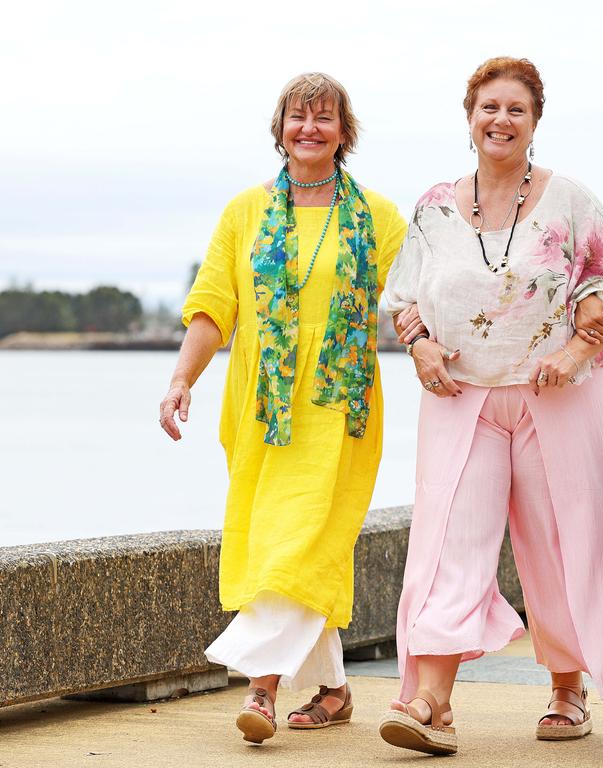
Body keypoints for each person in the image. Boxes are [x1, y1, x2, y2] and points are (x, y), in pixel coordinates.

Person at [377, 56, 603, 756]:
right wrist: (420, 346)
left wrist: (577, 352)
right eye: (489, 107)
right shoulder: (435, 205)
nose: (500, 120)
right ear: (470, 118)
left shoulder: (570, 200)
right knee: (447, 545)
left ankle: (566, 686)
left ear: (534, 122)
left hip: (554, 399)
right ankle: (430, 700)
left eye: (515, 110)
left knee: (558, 543)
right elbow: (404, 297)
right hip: (461, 398)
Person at [157, 72, 406, 745]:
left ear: (344, 133)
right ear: (281, 129)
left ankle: (260, 691)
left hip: (338, 411)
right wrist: (183, 380)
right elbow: (213, 307)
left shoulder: (379, 218)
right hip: (262, 413)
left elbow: (416, 301)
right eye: (299, 117)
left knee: (296, 544)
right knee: (285, 545)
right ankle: (333, 689)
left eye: (325, 119)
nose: (310, 130)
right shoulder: (244, 212)